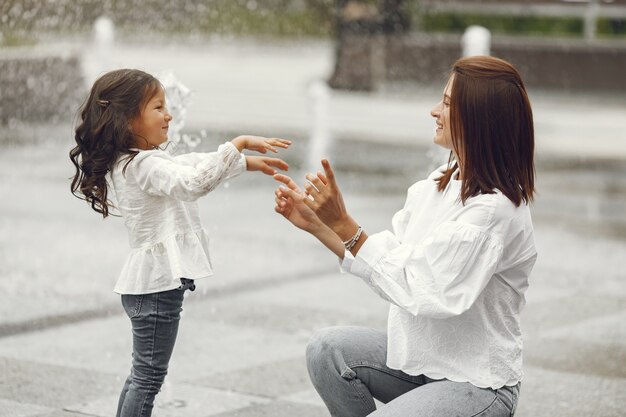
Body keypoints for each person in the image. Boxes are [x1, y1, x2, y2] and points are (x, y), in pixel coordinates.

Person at [273, 55, 536, 417]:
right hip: (421, 368)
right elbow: (387, 263)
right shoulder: (436, 184)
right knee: (327, 350)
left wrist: (346, 223)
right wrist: (320, 224)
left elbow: (427, 289)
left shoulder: (494, 210)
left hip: (477, 384)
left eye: (446, 104)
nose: (434, 111)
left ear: (477, 118)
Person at [69, 68, 291, 417]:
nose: (168, 114)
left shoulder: (137, 161)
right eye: (158, 107)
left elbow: (187, 166)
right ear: (128, 120)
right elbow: (192, 183)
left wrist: (243, 163)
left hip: (151, 288)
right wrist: (237, 144)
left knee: (142, 376)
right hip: (155, 290)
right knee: (148, 378)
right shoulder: (142, 166)